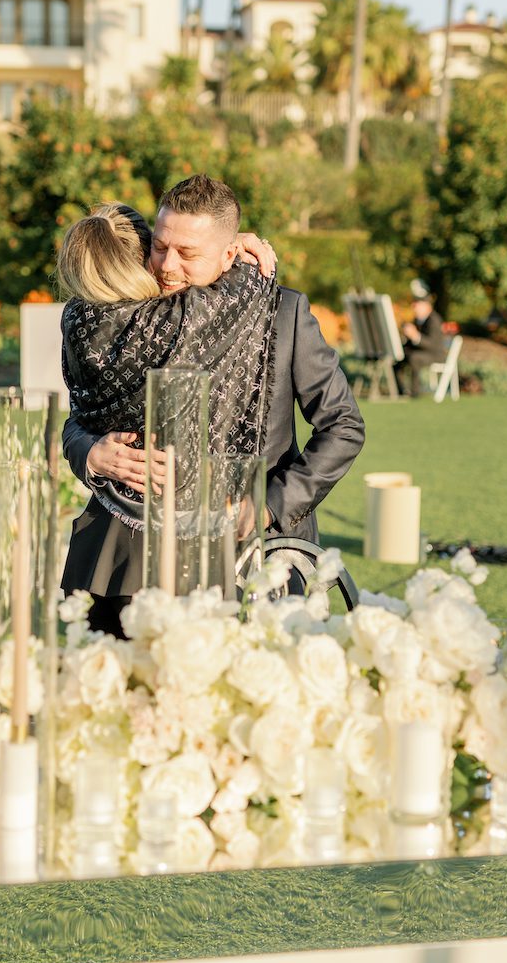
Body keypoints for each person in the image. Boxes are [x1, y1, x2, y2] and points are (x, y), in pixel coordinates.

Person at [60, 175, 365, 632]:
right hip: (127, 558)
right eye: (160, 246)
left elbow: (343, 426)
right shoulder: (128, 320)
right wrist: (90, 452)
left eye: (188, 253)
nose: (166, 265)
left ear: (229, 255)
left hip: (249, 555)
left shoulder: (282, 313)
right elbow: (80, 418)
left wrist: (270, 504)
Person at [396, 278, 447, 397]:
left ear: (427, 305)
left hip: (435, 354)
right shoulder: (417, 320)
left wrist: (416, 336)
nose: (414, 307)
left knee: (415, 358)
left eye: (417, 304)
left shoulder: (434, 320)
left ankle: (415, 392)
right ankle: (400, 390)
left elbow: (433, 345)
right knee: (398, 357)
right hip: (423, 352)